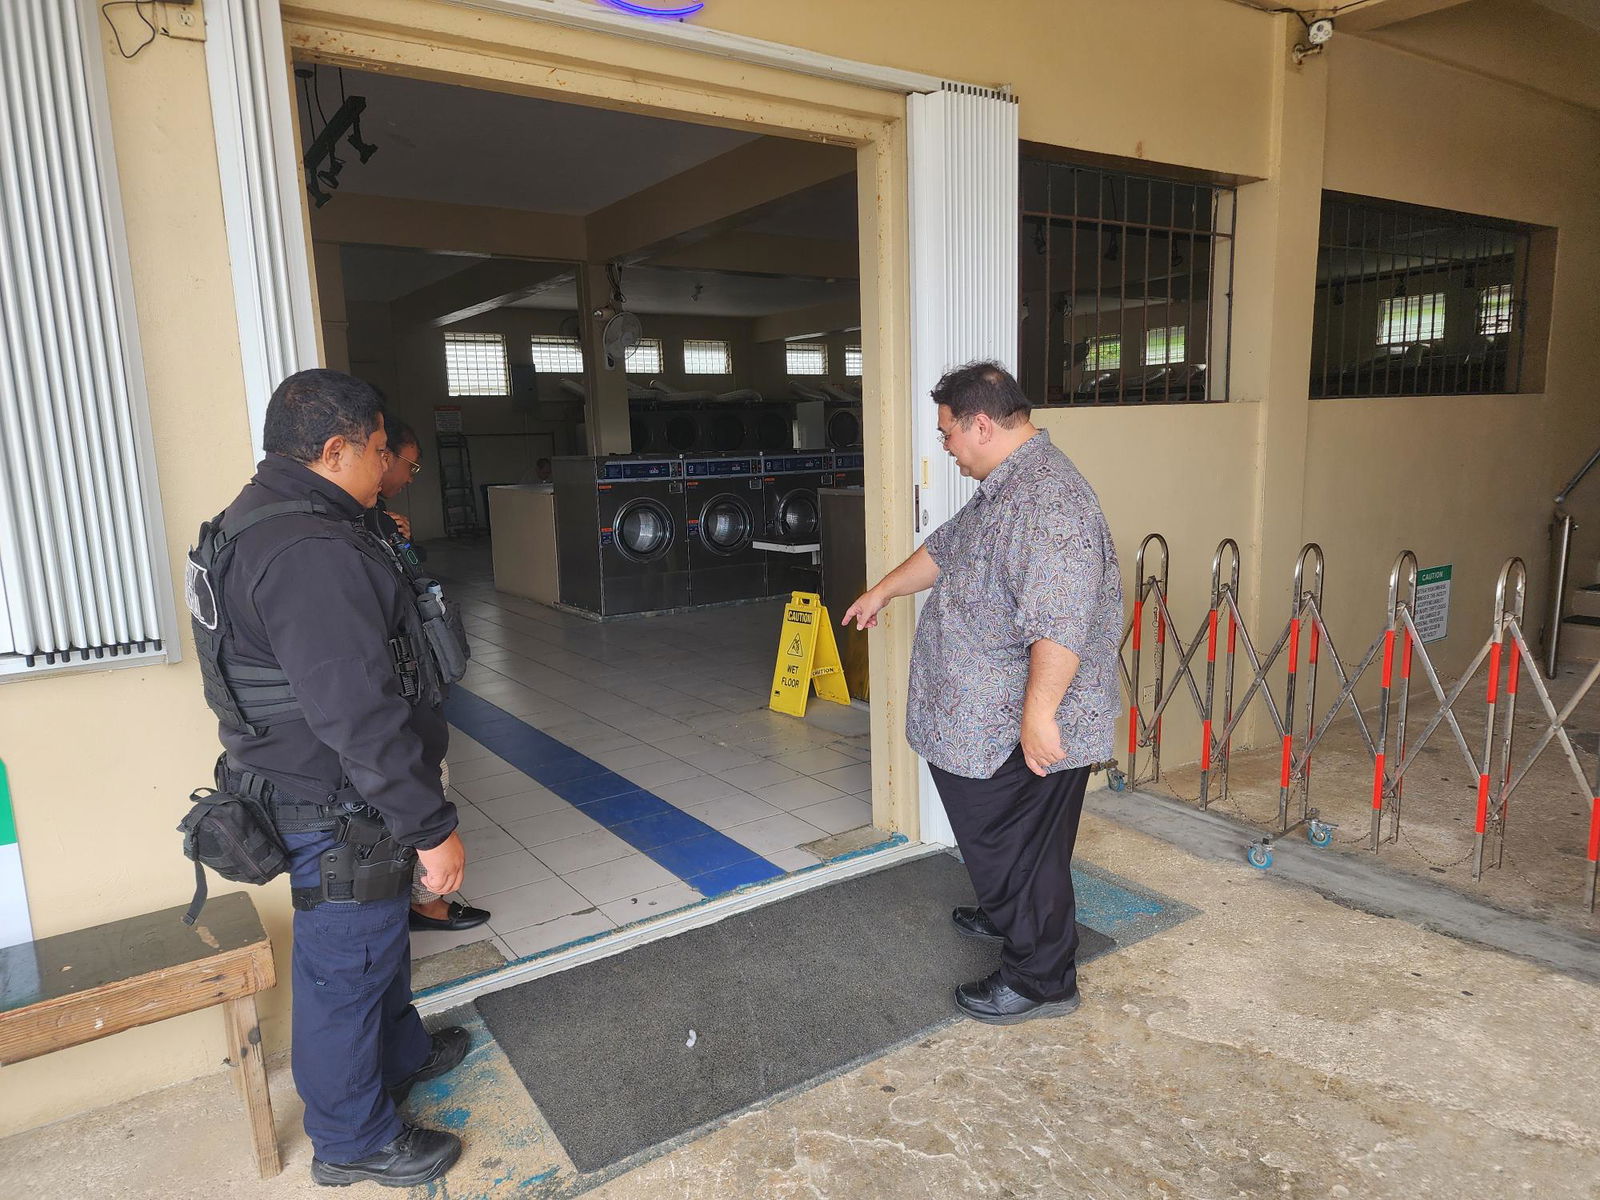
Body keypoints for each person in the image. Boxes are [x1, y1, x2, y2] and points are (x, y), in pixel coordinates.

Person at [192, 370, 470, 1187]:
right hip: (336, 801)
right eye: (380, 452)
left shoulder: (278, 521)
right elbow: (358, 713)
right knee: (344, 969)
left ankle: (400, 1057)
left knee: (375, 947)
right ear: (335, 448)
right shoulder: (307, 551)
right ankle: (354, 1140)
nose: (387, 466)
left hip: (329, 791)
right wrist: (432, 828)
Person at [842, 361, 1121, 1025]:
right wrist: (883, 589)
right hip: (989, 718)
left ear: (983, 425)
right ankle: (1007, 912)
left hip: (1020, 724)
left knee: (1022, 849)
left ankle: (1042, 979)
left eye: (947, 435)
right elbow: (946, 549)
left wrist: (1040, 716)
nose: (945, 447)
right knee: (1010, 846)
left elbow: (1059, 622)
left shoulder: (1048, 504)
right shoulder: (1006, 488)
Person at [370, 413, 490, 935]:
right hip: (394, 693)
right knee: (425, 776)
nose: (405, 477)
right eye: (408, 466)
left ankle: (416, 900)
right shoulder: (340, 529)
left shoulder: (373, 519)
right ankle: (428, 904)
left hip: (411, 678)